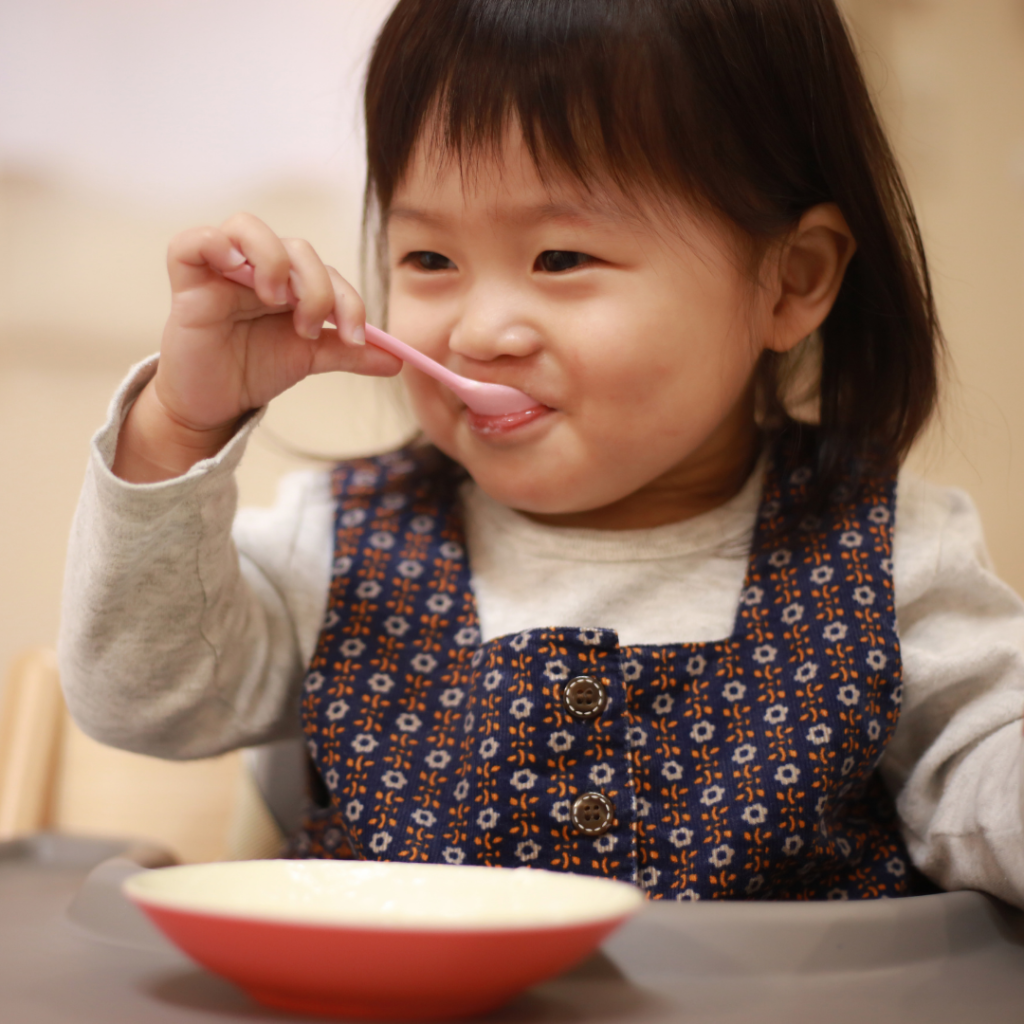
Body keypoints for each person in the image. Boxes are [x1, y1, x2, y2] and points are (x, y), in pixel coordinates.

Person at [59, 0, 1024, 904]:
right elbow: (141, 699)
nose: (479, 331)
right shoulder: (341, 544)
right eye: (429, 259)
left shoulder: (886, 552)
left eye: (560, 258)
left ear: (790, 281)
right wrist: (180, 427)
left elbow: (990, 775)